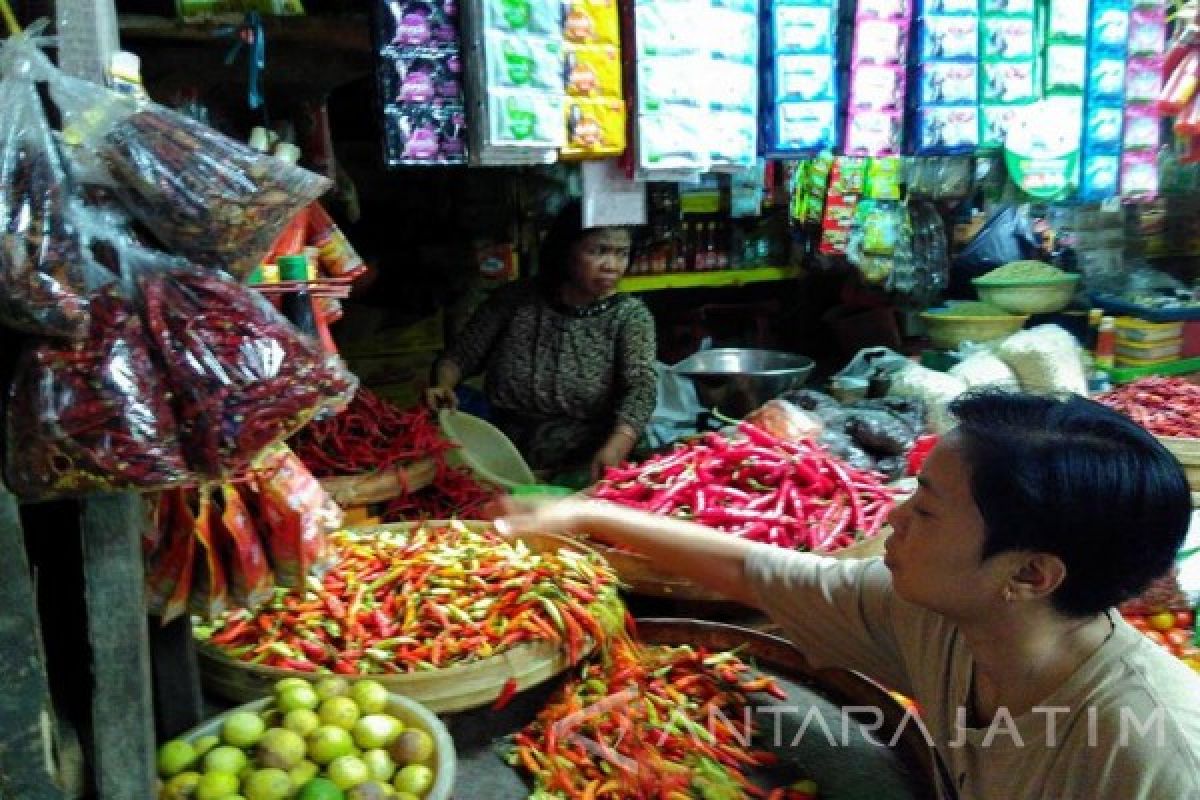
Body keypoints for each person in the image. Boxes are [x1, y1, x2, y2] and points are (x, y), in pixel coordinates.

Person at [499, 391, 1200, 799]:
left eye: (923, 510)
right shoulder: (939, 613)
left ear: (1030, 576)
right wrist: (588, 516)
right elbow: (759, 573)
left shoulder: (1154, 756)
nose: (891, 517)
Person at [425, 201, 656, 479]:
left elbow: (641, 387)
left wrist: (617, 446)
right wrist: (444, 384)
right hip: (506, 453)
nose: (612, 266)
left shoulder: (629, 317)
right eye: (598, 251)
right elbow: (461, 355)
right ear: (566, 250)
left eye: (622, 254)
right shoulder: (515, 301)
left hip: (590, 457)